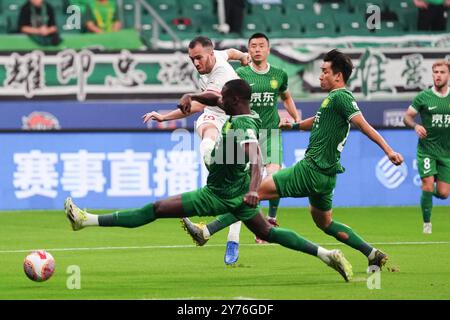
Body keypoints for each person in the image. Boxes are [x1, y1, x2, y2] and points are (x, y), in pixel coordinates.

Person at [64, 79, 353, 283]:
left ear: (236, 100)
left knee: (155, 209)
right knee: (268, 232)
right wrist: (193, 97)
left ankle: (85, 221)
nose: (220, 102)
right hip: (236, 192)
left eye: (226, 99)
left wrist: (255, 190)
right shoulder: (238, 110)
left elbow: (257, 159)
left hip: (219, 193)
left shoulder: (243, 123)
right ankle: (328, 255)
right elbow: (213, 99)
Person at [182, 49, 404, 272]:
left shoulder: (341, 97)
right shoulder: (333, 101)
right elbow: (317, 120)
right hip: (327, 177)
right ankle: (371, 253)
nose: (320, 76)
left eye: (325, 72)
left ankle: (206, 231)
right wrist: (294, 126)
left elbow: (363, 125)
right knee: (325, 223)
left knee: (251, 194)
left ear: (338, 76)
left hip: (310, 169)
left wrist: (389, 151)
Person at [206, 33, 301, 265]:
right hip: (245, 133)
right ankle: (233, 240)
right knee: (243, 189)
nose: (257, 49)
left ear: (268, 49)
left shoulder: (279, 74)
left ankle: (269, 219)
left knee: (274, 177)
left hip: (270, 133)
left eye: (261, 46)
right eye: (253, 46)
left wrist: (295, 118)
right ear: (248, 50)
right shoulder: (240, 75)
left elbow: (286, 97)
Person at [143, 36, 249, 167]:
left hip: (235, 116)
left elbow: (197, 106)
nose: (196, 63)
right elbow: (231, 52)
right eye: (192, 59)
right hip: (215, 113)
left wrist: (166, 117)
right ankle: (210, 159)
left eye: (199, 58)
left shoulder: (221, 73)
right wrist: (243, 56)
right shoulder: (215, 55)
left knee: (241, 164)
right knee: (206, 127)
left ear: (210, 54)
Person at [403, 60, 450, 234]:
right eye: (435, 72)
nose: (438, 75)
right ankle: (427, 224)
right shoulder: (423, 97)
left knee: (444, 193)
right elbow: (407, 117)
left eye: (442, 72)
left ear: (448, 75)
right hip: (427, 150)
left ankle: (427, 192)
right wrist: (415, 125)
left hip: (447, 153)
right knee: (428, 184)